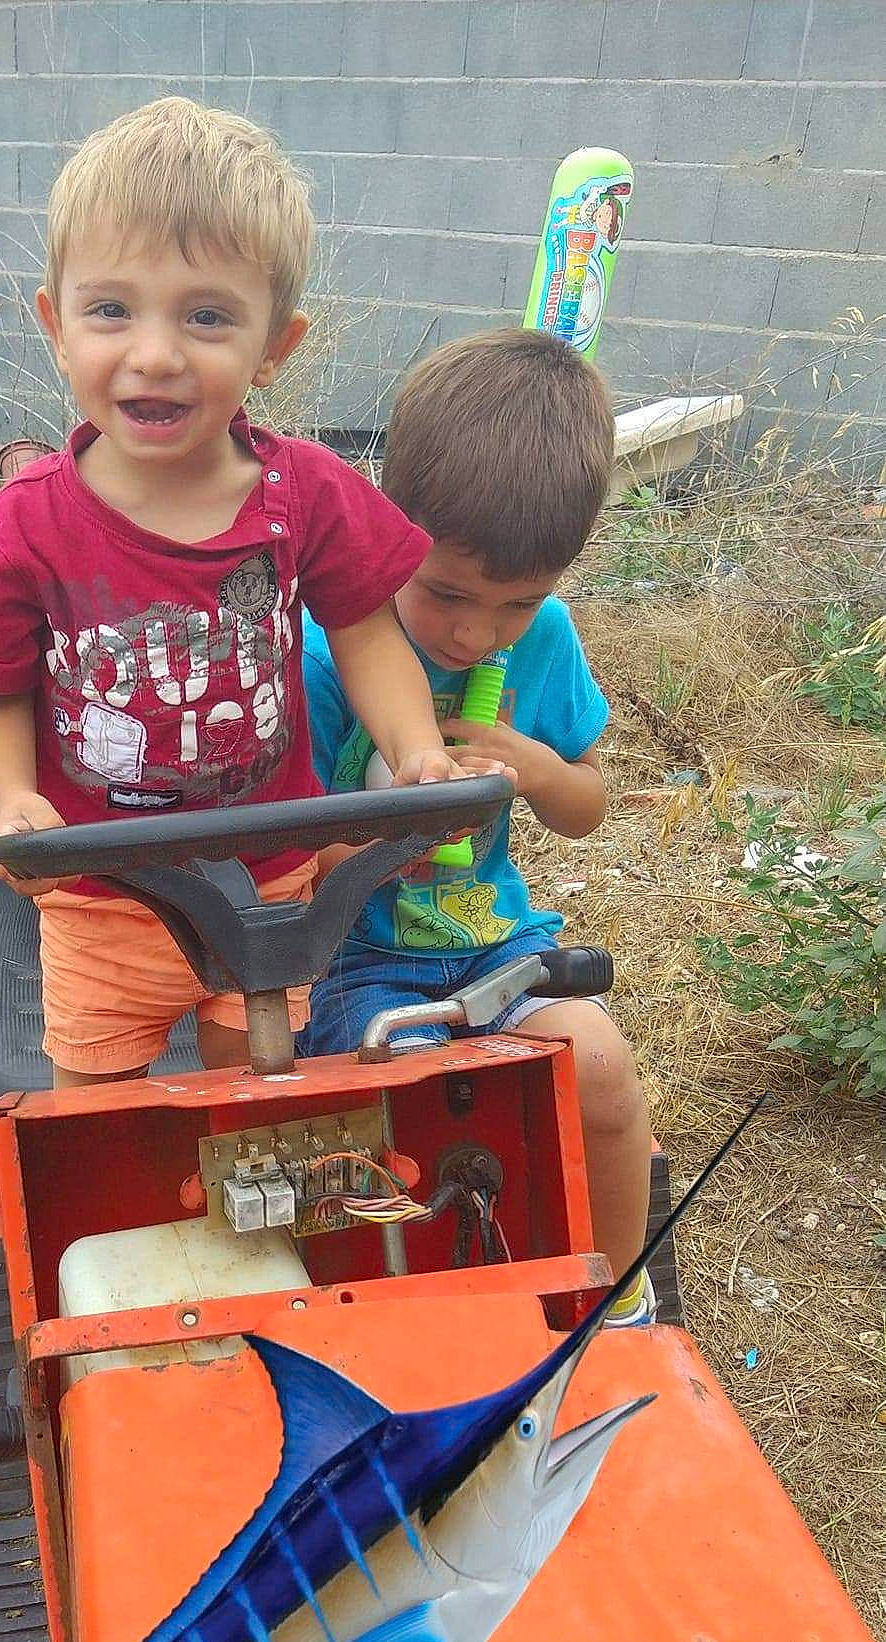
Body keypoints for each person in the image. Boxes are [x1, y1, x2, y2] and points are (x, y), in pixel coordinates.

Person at [0, 96, 498, 1088]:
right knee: (99, 1113)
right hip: (106, 889)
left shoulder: (305, 495)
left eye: (205, 316)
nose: (154, 352)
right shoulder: (26, 523)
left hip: (269, 872)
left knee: (259, 1098)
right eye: (111, 308)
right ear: (54, 326)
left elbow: (367, 632)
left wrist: (416, 753)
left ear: (273, 348)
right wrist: (15, 797)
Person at [300, 328, 655, 1322]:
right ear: (386, 524)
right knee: (402, 1128)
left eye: (515, 602)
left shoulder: (541, 639)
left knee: (603, 1071)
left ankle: (617, 1307)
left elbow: (585, 809)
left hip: (491, 947)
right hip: (353, 964)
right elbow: (280, 857)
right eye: (447, 593)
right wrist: (386, 840)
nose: (474, 632)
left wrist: (531, 765)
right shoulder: (333, 647)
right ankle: (405, 1323)